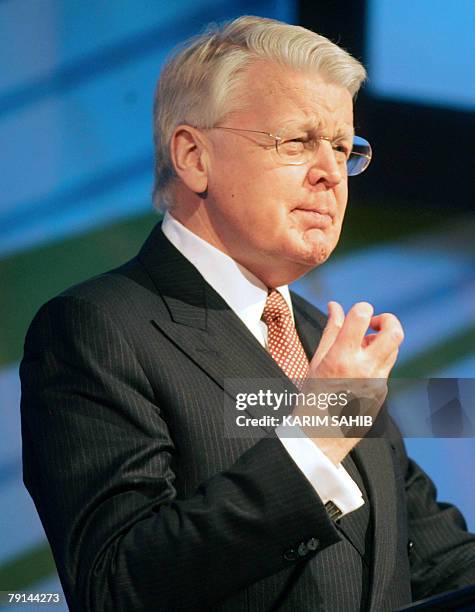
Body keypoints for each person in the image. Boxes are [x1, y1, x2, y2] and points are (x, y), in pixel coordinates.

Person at [20, 15, 475, 612]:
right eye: (297, 141)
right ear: (193, 156)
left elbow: (435, 560)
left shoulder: (325, 342)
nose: (331, 172)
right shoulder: (95, 329)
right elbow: (118, 583)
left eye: (343, 148)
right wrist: (315, 436)